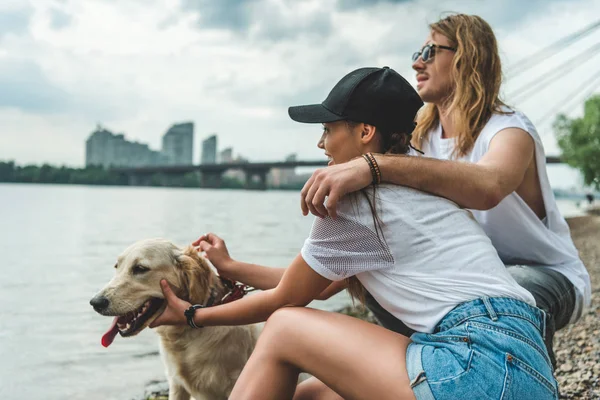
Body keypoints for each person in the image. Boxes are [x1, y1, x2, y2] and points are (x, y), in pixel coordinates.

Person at [150, 66, 557, 400]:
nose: (321, 141)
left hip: (474, 366)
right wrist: (231, 267)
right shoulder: (419, 185)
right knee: (310, 397)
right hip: (527, 370)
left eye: (329, 129)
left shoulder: (358, 199)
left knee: (285, 326)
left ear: (365, 132)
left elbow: (287, 300)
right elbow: (319, 285)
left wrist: (190, 315)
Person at [298, 14, 591, 367]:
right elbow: (329, 271)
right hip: (468, 282)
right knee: (372, 280)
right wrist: (236, 271)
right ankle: (426, 373)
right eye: (418, 51)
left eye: (430, 50)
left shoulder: (509, 130)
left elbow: (489, 187)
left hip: (543, 274)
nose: (416, 61)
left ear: (466, 56)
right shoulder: (418, 143)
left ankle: (528, 380)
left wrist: (372, 165)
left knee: (506, 293)